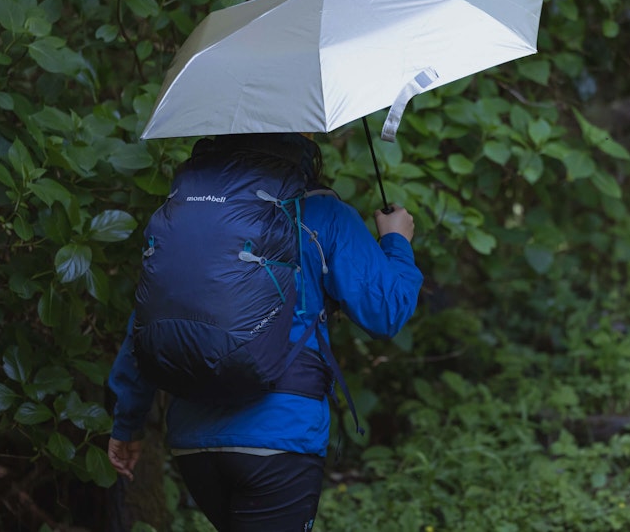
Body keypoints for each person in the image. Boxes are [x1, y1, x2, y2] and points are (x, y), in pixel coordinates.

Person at [106, 132, 423, 531]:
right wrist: (396, 240)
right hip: (280, 435)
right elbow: (386, 311)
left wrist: (127, 423)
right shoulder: (320, 212)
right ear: (302, 133)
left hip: (193, 439)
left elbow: (149, 319)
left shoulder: (190, 214)